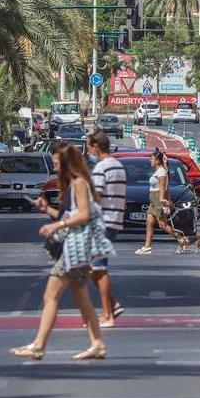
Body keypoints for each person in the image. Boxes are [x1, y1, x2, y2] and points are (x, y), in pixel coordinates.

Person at [12, 144, 111, 360]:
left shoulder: (79, 184)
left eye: (57, 164)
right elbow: (71, 215)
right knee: (82, 298)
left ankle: (39, 346)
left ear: (68, 164)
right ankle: (97, 343)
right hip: (77, 248)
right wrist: (47, 210)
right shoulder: (75, 185)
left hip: (74, 249)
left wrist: (57, 225)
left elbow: (83, 215)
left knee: (50, 296)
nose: (55, 168)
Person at [87, 130, 126, 327]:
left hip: (103, 222)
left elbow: (96, 196)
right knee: (92, 268)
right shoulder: (118, 166)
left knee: (99, 269)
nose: (88, 152)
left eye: (89, 147)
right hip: (114, 221)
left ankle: (107, 314)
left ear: (96, 146)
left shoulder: (101, 167)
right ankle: (112, 305)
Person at [136, 150, 187, 255]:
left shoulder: (162, 172)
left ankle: (182, 239)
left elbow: (163, 187)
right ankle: (147, 247)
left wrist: (163, 200)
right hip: (153, 200)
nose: (150, 160)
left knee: (162, 225)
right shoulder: (158, 171)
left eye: (152, 159)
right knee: (149, 222)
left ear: (158, 161)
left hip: (158, 199)